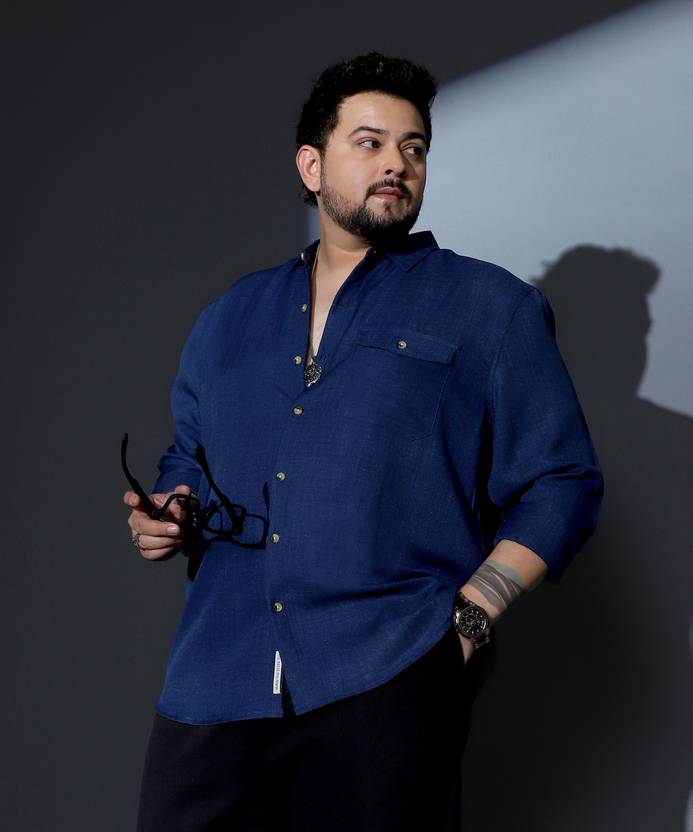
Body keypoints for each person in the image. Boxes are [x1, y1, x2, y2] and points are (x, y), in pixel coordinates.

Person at [125, 51, 604, 831]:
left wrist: (473, 617)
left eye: (414, 147)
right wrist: (168, 509)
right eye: (370, 143)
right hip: (217, 678)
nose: (396, 164)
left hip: (386, 675)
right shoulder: (228, 318)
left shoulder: (489, 306)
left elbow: (562, 481)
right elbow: (190, 459)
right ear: (311, 166)